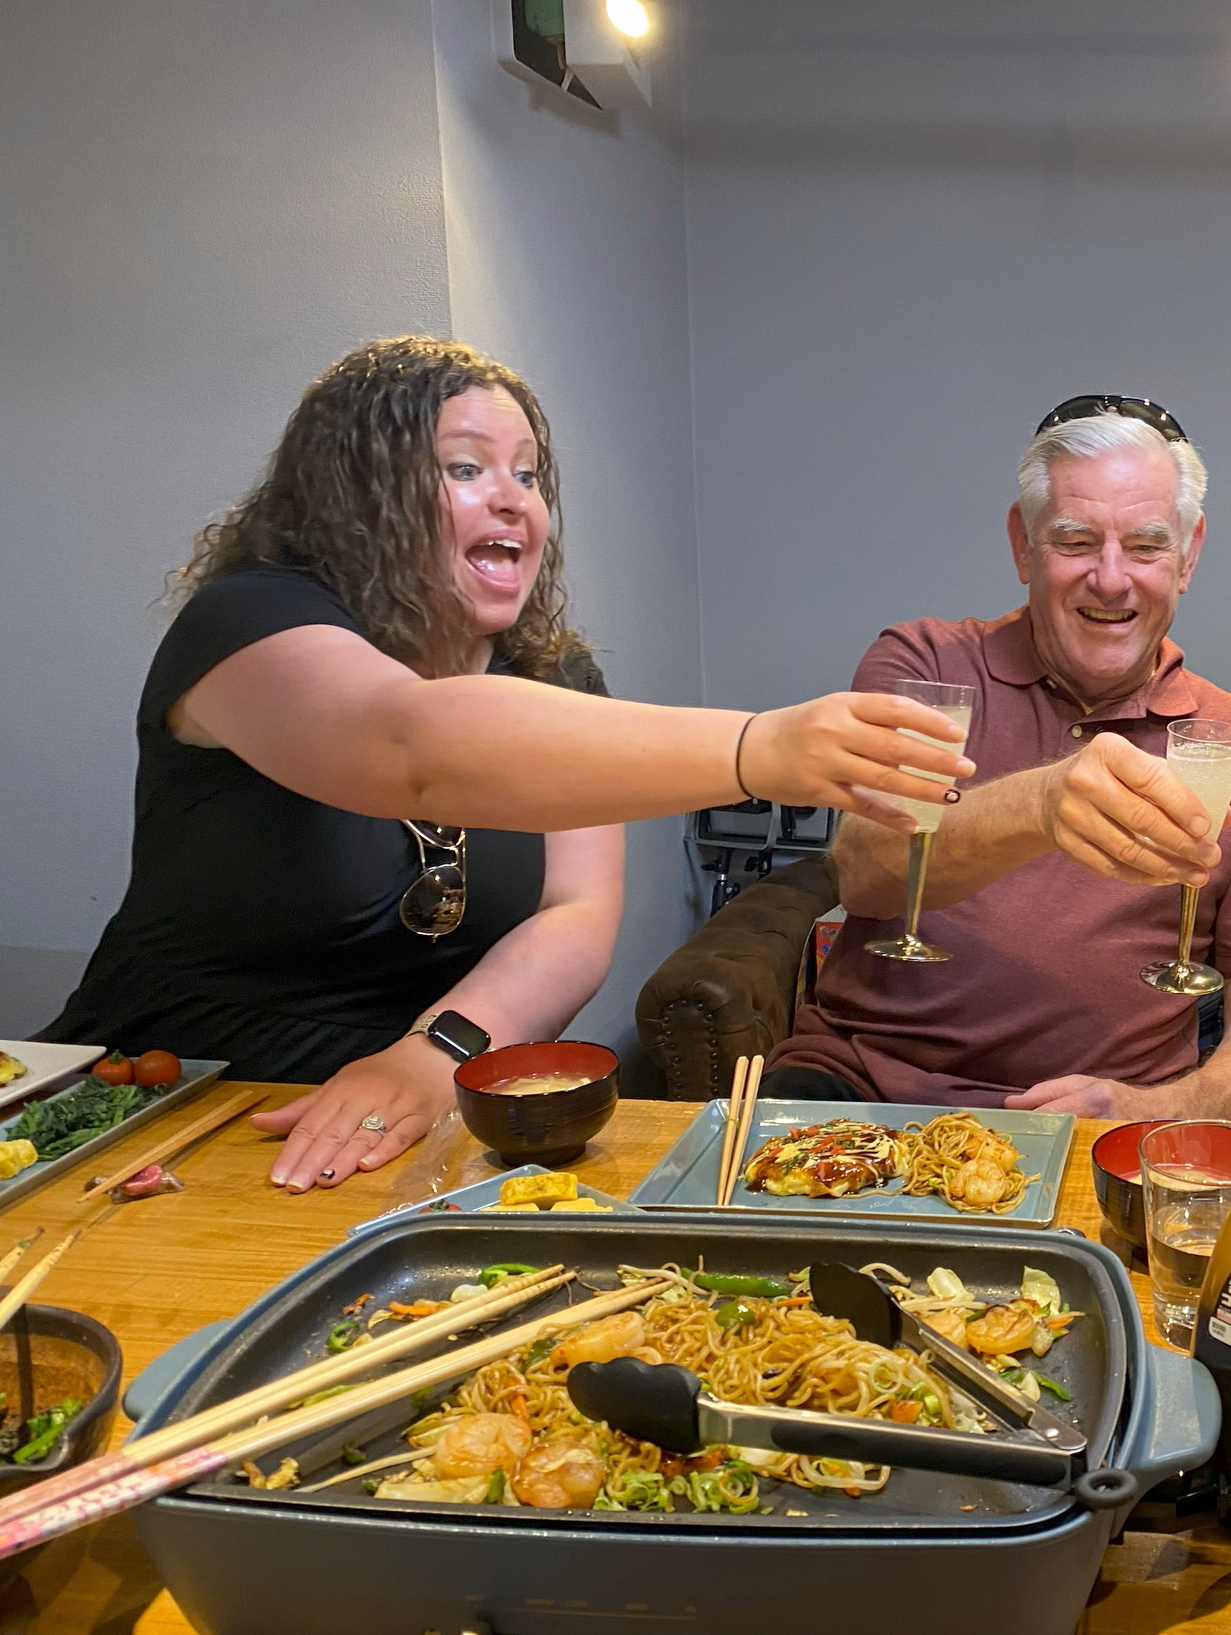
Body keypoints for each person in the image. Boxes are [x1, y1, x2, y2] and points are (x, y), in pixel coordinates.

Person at [39, 337, 970, 1192]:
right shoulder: (248, 622)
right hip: (179, 1101)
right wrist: (756, 749)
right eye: (464, 468)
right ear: (357, 492)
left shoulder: (555, 674)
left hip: (411, 1107)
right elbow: (411, 746)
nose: (515, 498)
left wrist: (436, 1052)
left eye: (529, 474)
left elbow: (577, 912)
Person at [766, 397, 1231, 1117]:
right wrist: (1040, 805)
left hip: (1107, 1123)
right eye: (1077, 542)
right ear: (1024, 545)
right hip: (867, 1091)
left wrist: (1171, 1105)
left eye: (1146, 545)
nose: (1112, 579)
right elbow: (866, 873)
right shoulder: (927, 666)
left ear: (1189, 553)